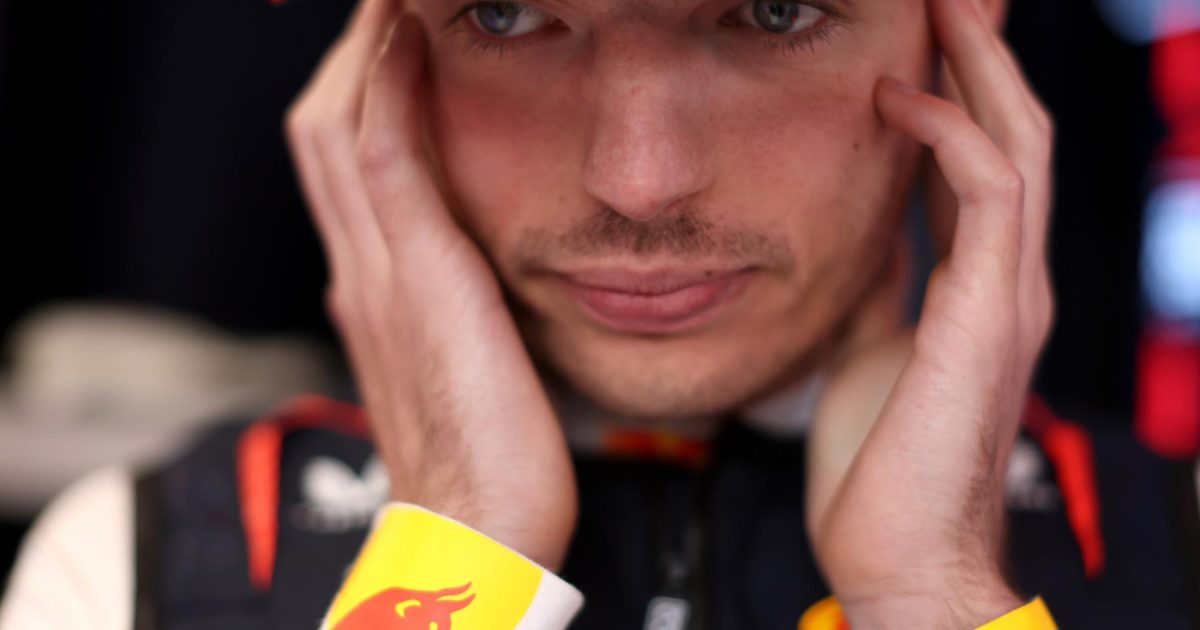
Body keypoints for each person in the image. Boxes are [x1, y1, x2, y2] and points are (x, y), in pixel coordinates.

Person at [2, 0, 1195, 628]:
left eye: (774, 10)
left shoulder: (1179, 543)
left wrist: (937, 601)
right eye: (508, 13)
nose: (638, 180)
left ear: (960, 21)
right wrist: (458, 550)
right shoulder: (130, 561)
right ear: (380, 56)